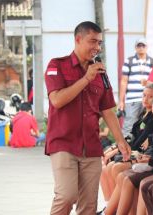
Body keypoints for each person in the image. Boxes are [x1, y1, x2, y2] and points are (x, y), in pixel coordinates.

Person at [44, 21, 131, 215]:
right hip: (63, 143)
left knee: (88, 206)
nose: (97, 47)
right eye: (93, 41)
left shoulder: (100, 73)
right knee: (66, 196)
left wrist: (120, 141)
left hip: (91, 147)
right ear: (78, 39)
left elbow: (108, 109)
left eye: (100, 43)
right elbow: (56, 100)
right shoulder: (57, 65)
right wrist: (86, 79)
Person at [119, 38, 153, 137]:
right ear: (135, 47)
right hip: (132, 99)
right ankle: (125, 148)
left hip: (148, 99)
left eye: (143, 45)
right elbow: (123, 81)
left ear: (147, 47)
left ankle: (138, 148)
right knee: (129, 124)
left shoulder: (151, 61)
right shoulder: (129, 61)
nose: (141, 48)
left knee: (147, 124)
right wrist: (121, 101)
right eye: (139, 45)